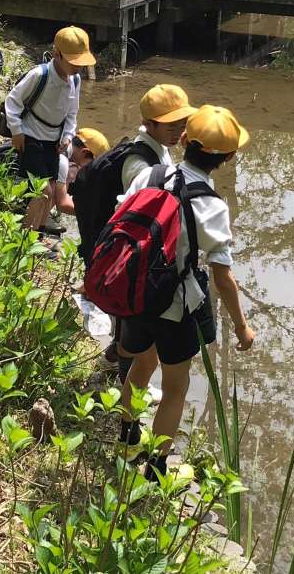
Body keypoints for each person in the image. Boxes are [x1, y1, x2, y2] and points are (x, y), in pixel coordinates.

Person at [117, 105, 255, 477]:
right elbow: (222, 276)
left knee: (142, 364)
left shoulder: (149, 174)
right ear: (227, 158)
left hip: (135, 292)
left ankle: (127, 437)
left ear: (182, 140)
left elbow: (122, 217)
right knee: (176, 387)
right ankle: (157, 468)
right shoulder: (211, 206)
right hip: (174, 305)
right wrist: (242, 327)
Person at [105, 85, 197, 381]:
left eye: (182, 124)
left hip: (145, 257)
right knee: (131, 331)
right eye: (171, 126)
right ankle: (123, 382)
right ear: (148, 123)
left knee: (136, 332)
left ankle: (127, 378)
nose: (178, 132)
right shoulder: (138, 163)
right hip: (132, 259)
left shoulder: (160, 150)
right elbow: (133, 220)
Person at [4, 26, 95, 232]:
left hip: (54, 141)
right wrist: (17, 131)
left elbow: (72, 113)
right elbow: (13, 101)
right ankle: (24, 236)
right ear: (57, 54)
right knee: (42, 190)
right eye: (73, 61)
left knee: (52, 189)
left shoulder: (75, 80)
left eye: (81, 62)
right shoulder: (40, 75)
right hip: (30, 136)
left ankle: (39, 232)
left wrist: (67, 136)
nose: (78, 67)